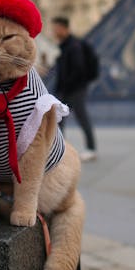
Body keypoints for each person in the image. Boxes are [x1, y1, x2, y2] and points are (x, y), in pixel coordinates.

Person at [51, 16, 98, 162]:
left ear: (63, 28)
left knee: (81, 118)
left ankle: (91, 149)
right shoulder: (66, 45)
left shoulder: (73, 46)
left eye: (55, 28)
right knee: (60, 120)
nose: (53, 31)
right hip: (68, 89)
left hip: (74, 89)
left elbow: (78, 69)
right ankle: (59, 149)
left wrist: (66, 85)